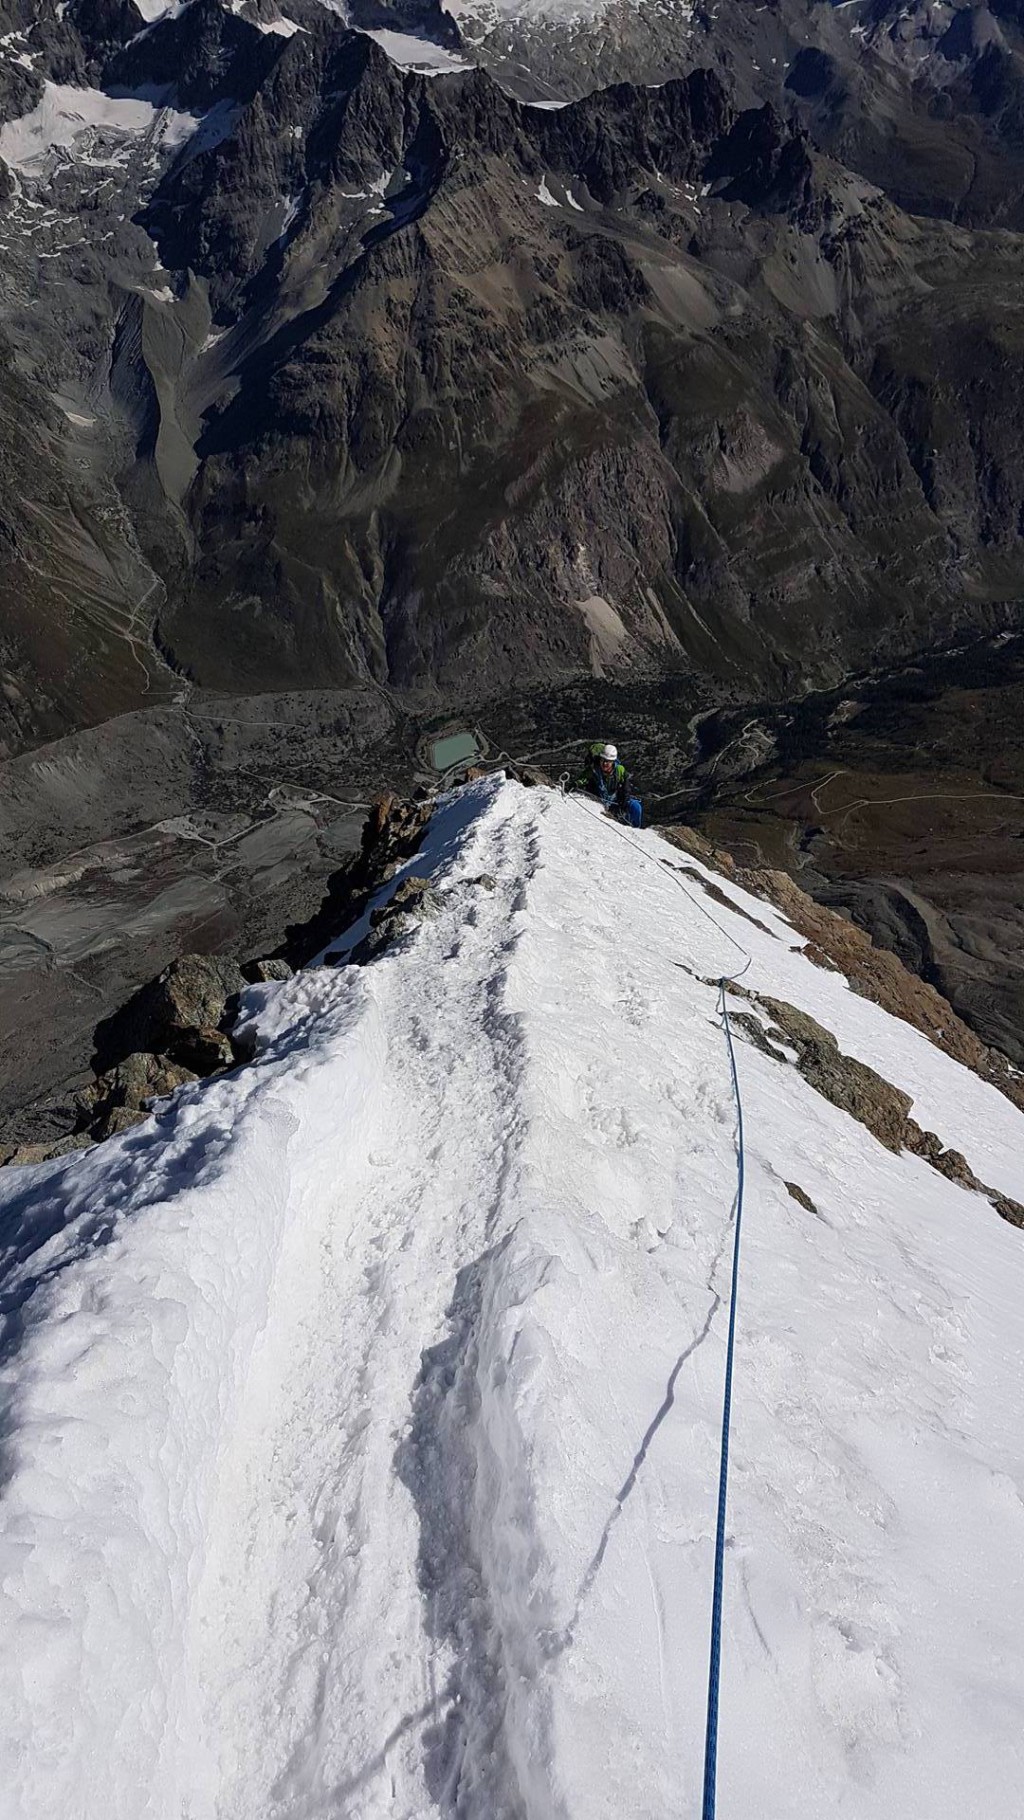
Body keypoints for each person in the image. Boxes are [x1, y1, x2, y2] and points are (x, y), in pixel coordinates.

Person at [573, 742, 643, 827]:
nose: (605, 764)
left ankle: (635, 828)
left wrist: (624, 800)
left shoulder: (620, 770)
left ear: (613, 762)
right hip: (598, 800)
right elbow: (583, 779)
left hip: (614, 801)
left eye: (608, 762)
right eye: (603, 760)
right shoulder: (594, 770)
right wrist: (575, 784)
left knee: (636, 807)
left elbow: (626, 787)